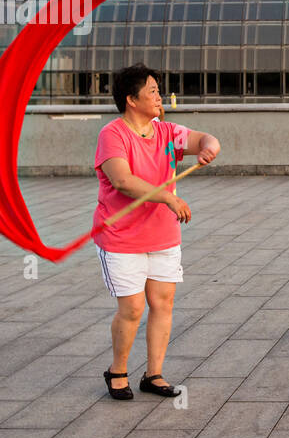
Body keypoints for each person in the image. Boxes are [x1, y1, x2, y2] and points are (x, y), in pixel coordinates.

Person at [94, 63, 221, 400]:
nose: (158, 96)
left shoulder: (166, 131)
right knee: (133, 308)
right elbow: (122, 180)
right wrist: (167, 197)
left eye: (157, 90)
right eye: (151, 90)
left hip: (163, 236)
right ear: (131, 99)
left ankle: (154, 374)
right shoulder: (113, 135)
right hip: (122, 238)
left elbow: (202, 138)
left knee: (163, 303)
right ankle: (117, 371)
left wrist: (210, 146)